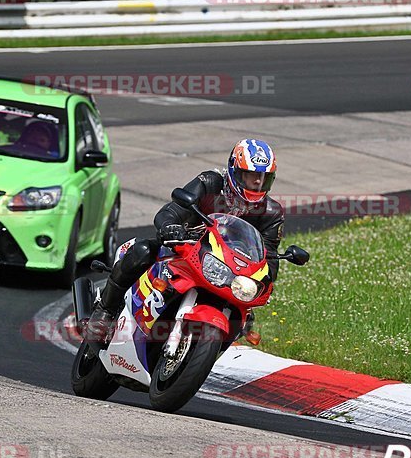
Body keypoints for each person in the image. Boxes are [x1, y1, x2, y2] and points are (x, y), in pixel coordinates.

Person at [84, 138, 284, 349]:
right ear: (234, 170)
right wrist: (170, 226)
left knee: (244, 316)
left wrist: (265, 280)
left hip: (228, 270)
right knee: (142, 251)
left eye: (264, 178)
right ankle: (104, 312)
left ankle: (204, 349)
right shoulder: (210, 182)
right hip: (184, 248)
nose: (258, 183)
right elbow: (171, 210)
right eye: (252, 176)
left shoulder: (272, 212)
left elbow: (269, 255)